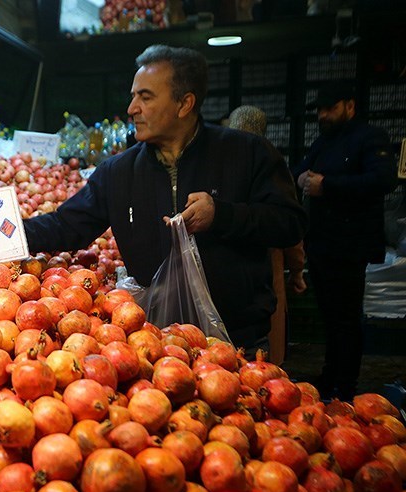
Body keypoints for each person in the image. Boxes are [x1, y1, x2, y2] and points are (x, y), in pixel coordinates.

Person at [23, 44, 308, 353]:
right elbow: (66, 225)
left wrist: (222, 215)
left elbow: (290, 223)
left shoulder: (247, 153)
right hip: (155, 344)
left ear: (184, 104)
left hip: (239, 343)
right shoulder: (118, 172)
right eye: (133, 96)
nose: (132, 108)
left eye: (145, 97)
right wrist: (2, 233)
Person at [292, 81, 398, 400]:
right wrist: (299, 177)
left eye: (330, 108)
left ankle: (346, 384)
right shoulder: (323, 140)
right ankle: (330, 375)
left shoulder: (370, 137)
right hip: (322, 242)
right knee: (329, 314)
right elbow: (303, 167)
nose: (324, 115)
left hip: (351, 244)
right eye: (320, 110)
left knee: (346, 317)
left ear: (349, 106)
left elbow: (383, 180)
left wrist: (329, 185)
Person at [227, 105, 308, 365]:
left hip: (232, 280)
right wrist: (296, 271)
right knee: (265, 350)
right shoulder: (270, 165)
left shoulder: (222, 164)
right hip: (265, 274)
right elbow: (291, 234)